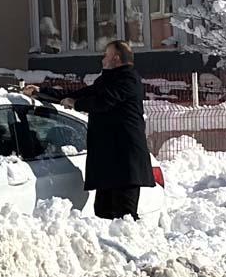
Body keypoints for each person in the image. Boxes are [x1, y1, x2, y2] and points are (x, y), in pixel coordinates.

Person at [23, 40, 155, 220]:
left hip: (125, 160)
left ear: (116, 58)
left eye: (105, 55)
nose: (102, 60)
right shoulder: (107, 80)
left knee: (124, 217)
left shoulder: (128, 79)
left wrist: (76, 104)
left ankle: (125, 246)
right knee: (102, 212)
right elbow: (79, 94)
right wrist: (41, 92)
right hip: (108, 160)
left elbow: (103, 102)